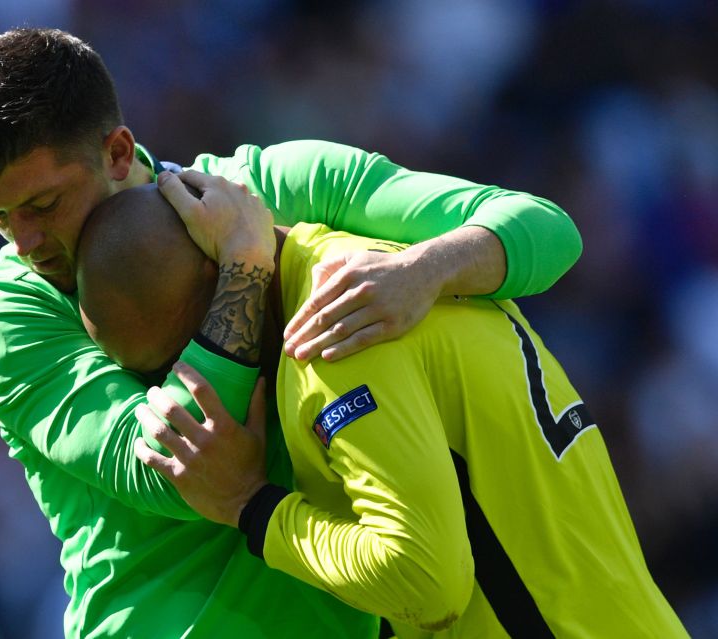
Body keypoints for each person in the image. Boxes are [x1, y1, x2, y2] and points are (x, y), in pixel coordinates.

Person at [0, 27, 583, 638]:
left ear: (117, 152)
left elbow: (546, 229)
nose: (25, 243)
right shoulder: (1, 313)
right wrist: (244, 268)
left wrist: (423, 270)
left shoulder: (273, 184)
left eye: (43, 206)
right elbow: (173, 468)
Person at [77, 184, 688, 638]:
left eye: (188, 346)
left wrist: (250, 505)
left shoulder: (332, 338)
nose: (190, 375)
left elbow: (425, 582)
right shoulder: (387, 256)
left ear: (225, 273)